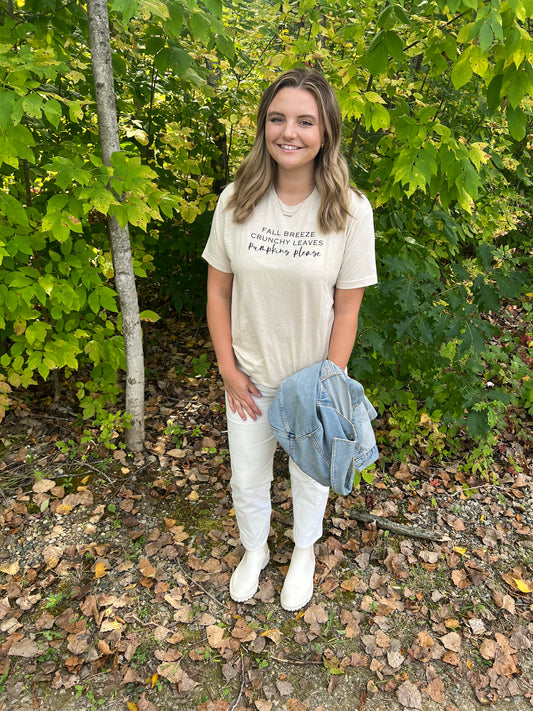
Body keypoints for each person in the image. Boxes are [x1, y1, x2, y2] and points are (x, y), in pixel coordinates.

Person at [202, 68, 377, 611]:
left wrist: (328, 381)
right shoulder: (236, 201)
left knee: (311, 479)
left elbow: (347, 308)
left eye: (306, 121)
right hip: (250, 379)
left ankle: (303, 551)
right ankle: (254, 551)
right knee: (246, 476)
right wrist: (229, 370)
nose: (290, 132)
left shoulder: (349, 210)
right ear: (263, 126)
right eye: (278, 118)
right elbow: (217, 295)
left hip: (312, 383)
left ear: (325, 132)